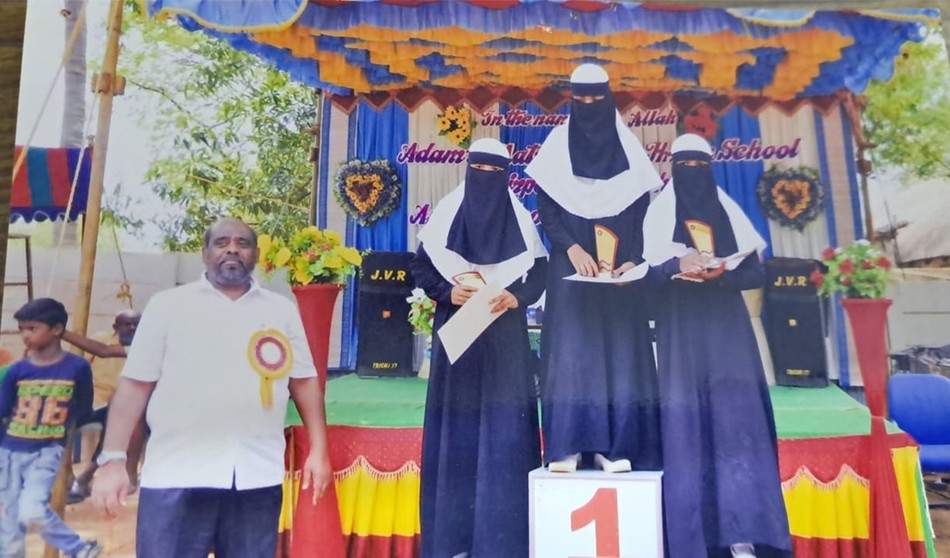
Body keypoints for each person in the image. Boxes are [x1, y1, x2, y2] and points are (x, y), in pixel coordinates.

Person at [91, 218, 332, 558]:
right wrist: (113, 460)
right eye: (221, 242)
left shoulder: (281, 311)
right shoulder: (167, 305)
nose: (232, 249)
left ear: (256, 254)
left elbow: (304, 381)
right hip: (177, 473)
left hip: (254, 474)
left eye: (242, 243)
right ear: (205, 253)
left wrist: (319, 451)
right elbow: (133, 388)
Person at [642, 134, 791, 558]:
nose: (692, 173)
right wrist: (675, 264)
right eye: (684, 165)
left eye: (700, 165)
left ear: (710, 167)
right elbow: (644, 278)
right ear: (672, 169)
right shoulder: (657, 214)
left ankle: (742, 535)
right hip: (681, 333)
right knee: (686, 429)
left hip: (727, 333)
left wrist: (722, 271)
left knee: (735, 424)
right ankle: (691, 542)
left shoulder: (727, 209)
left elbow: (755, 274)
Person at [411, 138, 548, 557]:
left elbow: (539, 271)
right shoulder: (447, 214)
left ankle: (503, 542)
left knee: (505, 430)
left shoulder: (519, 219)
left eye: (495, 172)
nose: (486, 179)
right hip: (459, 332)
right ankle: (452, 541)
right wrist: (446, 293)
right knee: (457, 429)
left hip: (503, 336)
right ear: (468, 169)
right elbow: (421, 266)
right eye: (479, 170)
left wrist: (516, 298)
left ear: (507, 176)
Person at [525, 63, 663, 473]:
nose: (588, 105)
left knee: (617, 355)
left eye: (595, 99)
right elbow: (547, 210)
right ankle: (566, 447)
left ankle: (612, 449)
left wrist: (631, 261)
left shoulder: (629, 148)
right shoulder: (556, 144)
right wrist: (571, 249)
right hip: (571, 270)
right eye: (580, 99)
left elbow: (641, 215)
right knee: (572, 354)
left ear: (609, 98)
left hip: (617, 276)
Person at [0, 298, 102, 558]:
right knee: (9, 526)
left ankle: (78, 548)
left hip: (46, 451)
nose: (25, 335)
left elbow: (83, 407)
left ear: (57, 329)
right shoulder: (17, 371)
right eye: (22, 329)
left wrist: (63, 436)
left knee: (32, 512)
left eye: (32, 328)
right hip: (9, 452)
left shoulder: (77, 367)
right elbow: (3, 412)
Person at [62, 310, 146, 502]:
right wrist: (62, 333)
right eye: (127, 324)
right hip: (94, 401)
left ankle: (89, 477)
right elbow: (100, 352)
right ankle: (74, 478)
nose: (132, 328)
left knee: (124, 414)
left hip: (125, 407)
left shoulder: (145, 346)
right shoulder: (102, 340)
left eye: (136, 324)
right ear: (116, 327)